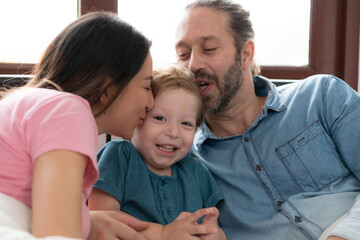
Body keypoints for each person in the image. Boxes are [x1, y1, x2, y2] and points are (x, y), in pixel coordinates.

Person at [174, 0, 360, 240]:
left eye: (208, 49)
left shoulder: (321, 96)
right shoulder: (187, 159)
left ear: (245, 53)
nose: (193, 65)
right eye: (183, 54)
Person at [0, 11, 154, 240]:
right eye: (146, 87)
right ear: (107, 86)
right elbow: (57, 236)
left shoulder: (29, 103)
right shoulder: (68, 109)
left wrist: (86, 222)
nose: (151, 103)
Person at [88, 66, 226, 240]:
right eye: (160, 118)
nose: (174, 133)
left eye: (186, 124)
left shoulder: (197, 171)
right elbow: (105, 225)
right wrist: (165, 235)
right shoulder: (119, 156)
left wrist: (214, 235)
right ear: (138, 118)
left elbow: (214, 227)